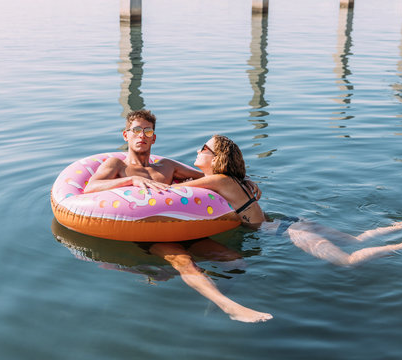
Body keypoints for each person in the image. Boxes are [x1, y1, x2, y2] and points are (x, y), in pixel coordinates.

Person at [83, 110, 269, 323]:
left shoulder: (167, 167)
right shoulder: (117, 165)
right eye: (136, 130)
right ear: (126, 135)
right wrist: (130, 181)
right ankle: (229, 306)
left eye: (147, 130)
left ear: (154, 137)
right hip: (146, 230)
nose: (142, 135)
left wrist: (244, 182)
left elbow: (215, 175)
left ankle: (215, 298)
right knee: (185, 262)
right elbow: (91, 188)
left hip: (180, 225)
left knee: (235, 261)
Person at [177, 135, 402, 268]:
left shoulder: (219, 180)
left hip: (285, 232)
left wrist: (138, 179)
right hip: (291, 222)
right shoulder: (235, 181)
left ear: (216, 158)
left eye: (204, 149)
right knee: (357, 239)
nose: (199, 150)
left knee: (348, 260)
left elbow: (175, 188)